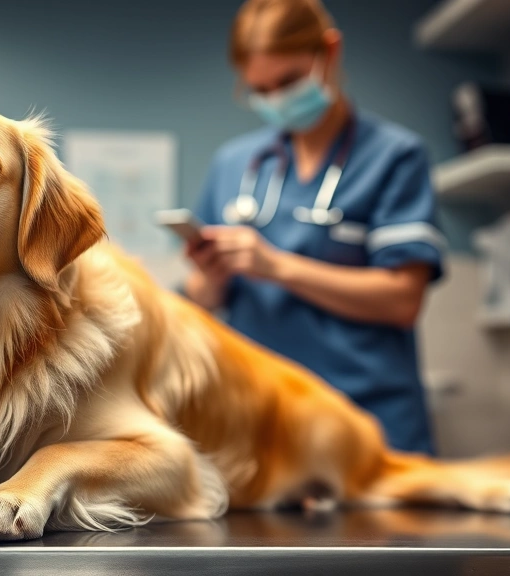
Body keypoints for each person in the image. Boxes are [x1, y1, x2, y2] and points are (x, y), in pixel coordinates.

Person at [183, 0, 444, 454]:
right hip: (261, 418)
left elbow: (404, 300)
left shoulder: (395, 156)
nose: (278, 100)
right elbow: (200, 302)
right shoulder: (233, 164)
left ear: (330, 52)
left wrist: (278, 266)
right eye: (261, 90)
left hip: (368, 421)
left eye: (289, 81)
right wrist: (209, 280)